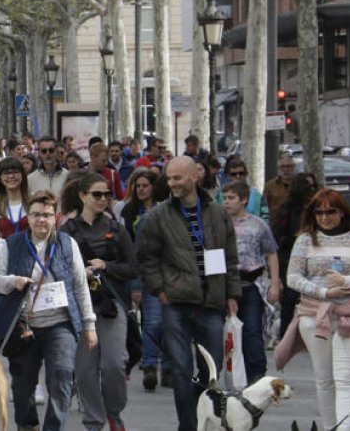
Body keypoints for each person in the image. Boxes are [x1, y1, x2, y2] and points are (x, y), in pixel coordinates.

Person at [136, 156, 240, 431]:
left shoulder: (217, 213)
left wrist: (232, 294)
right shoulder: (158, 216)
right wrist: (160, 290)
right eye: (169, 179)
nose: (172, 183)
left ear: (195, 176)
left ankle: (200, 412)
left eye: (177, 178)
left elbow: (230, 256)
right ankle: (187, 425)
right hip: (176, 303)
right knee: (181, 370)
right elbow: (146, 258)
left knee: (210, 370)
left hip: (212, 301)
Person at [0, 190, 97, 431]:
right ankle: (27, 425)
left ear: (56, 218)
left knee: (61, 380)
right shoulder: (11, 243)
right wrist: (13, 281)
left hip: (60, 324)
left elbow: (80, 287)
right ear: (27, 217)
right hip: (24, 326)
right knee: (22, 385)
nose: (41, 220)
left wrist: (89, 325)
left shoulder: (68, 244)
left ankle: (53, 427)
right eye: (36, 214)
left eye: (47, 215)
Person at [275, 189, 350, 431]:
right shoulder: (305, 239)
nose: (324, 217)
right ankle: (329, 427)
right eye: (319, 212)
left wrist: (349, 282)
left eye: (330, 211)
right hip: (313, 316)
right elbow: (292, 277)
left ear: (342, 211)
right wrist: (323, 292)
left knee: (345, 379)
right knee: (325, 380)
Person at [60, 174, 136, 431]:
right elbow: (57, 268)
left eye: (107, 195)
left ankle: (114, 412)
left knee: (114, 364)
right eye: (97, 195)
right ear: (82, 196)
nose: (103, 199)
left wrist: (107, 266)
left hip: (110, 305)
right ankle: (94, 421)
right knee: (84, 370)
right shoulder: (67, 230)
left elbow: (132, 267)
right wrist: (83, 271)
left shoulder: (116, 228)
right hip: (80, 307)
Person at [112, 168, 166, 390]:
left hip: (165, 272)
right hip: (140, 273)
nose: (141, 189)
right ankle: (149, 363)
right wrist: (134, 283)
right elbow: (129, 249)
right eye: (138, 185)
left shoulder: (165, 211)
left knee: (163, 323)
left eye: (145, 185)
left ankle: (167, 363)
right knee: (151, 322)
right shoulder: (128, 212)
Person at [222, 181, 280, 385]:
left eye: (231, 198)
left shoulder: (258, 225)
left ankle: (256, 373)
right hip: (225, 284)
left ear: (243, 200)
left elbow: (271, 253)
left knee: (252, 330)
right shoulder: (220, 223)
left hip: (251, 284)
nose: (227, 202)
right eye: (225, 198)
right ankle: (230, 372)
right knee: (226, 331)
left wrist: (274, 283)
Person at [272, 171, 319, 336]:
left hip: (314, 256)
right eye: (308, 185)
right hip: (290, 256)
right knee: (290, 296)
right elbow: (278, 232)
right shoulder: (288, 207)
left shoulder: (317, 207)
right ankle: (285, 333)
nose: (312, 189)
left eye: (314, 185)